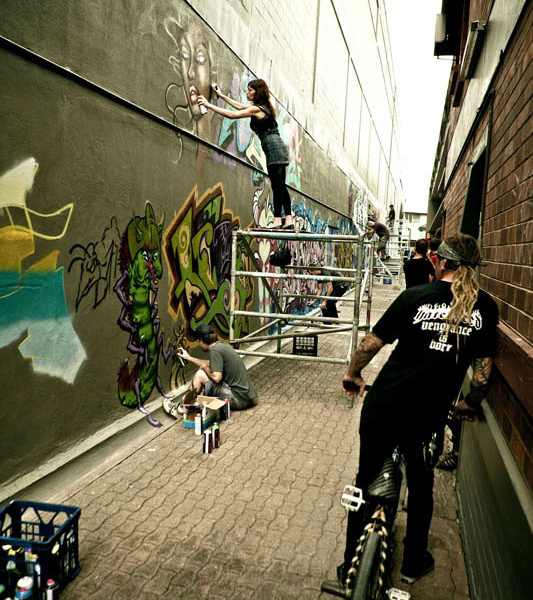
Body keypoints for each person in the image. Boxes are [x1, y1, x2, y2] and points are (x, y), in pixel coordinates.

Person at [337, 233, 498, 586]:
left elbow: (370, 344)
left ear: (441, 262)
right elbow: (483, 376)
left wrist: (353, 374)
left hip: (384, 405)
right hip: (427, 418)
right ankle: (412, 564)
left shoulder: (414, 297)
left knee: (365, 481)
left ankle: (349, 564)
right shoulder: (486, 308)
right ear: (474, 268)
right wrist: (469, 404)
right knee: (422, 487)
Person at [198, 79, 293, 229]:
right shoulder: (263, 108)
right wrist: (221, 95)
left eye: (250, 90)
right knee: (280, 185)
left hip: (273, 149)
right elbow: (239, 106)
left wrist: (208, 105)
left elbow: (232, 115)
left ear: (257, 92)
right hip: (277, 148)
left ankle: (276, 221)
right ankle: (288, 220)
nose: (247, 93)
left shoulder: (257, 109)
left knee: (277, 186)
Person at [164, 324, 257, 417]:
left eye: (198, 341)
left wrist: (204, 367)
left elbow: (217, 378)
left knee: (200, 375)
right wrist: (189, 358)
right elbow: (211, 363)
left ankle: (180, 409)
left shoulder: (214, 351)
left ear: (202, 340)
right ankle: (191, 404)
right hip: (249, 398)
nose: (198, 344)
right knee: (204, 373)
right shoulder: (221, 346)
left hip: (239, 400)